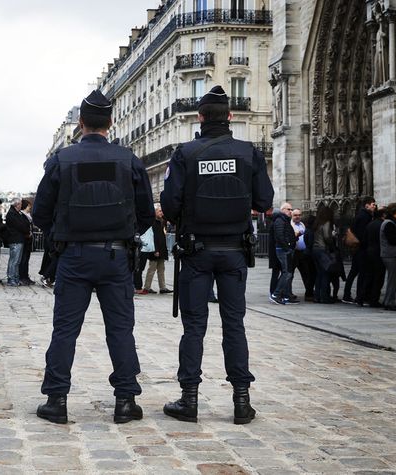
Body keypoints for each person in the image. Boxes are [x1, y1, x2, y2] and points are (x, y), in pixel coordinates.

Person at [32, 90, 155, 424]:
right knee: (120, 330)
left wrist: (65, 229)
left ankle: (56, 400)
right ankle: (126, 401)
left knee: (65, 330)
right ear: (110, 123)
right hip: (116, 255)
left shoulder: (62, 160)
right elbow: (147, 213)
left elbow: (40, 213)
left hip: (73, 256)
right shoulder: (128, 159)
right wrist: (124, 229)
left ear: (81, 124)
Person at [160, 85, 273, 425]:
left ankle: (189, 399)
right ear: (231, 117)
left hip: (196, 251)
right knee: (234, 325)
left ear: (200, 117)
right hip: (234, 250)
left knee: (194, 327)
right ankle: (241, 401)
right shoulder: (247, 153)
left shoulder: (186, 153)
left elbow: (169, 204)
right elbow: (264, 202)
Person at [343, 196, 376, 304]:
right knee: (362, 273)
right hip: (361, 249)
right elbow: (363, 235)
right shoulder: (364, 217)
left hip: (357, 249)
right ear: (367, 205)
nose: (374, 206)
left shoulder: (361, 215)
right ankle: (360, 296)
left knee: (354, 272)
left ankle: (347, 294)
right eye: (373, 204)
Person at [270, 202, 298, 305]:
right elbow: (279, 236)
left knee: (287, 272)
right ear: (282, 210)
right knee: (286, 273)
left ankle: (285, 295)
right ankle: (276, 294)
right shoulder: (280, 220)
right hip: (282, 250)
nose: (290, 211)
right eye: (288, 209)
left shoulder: (284, 220)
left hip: (285, 249)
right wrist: (287, 248)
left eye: (291, 209)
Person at [380, 203, 396, 311]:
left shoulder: (390, 222)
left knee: (394, 277)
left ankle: (388, 300)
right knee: (394, 277)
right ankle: (389, 302)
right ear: (394, 212)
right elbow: (392, 239)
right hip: (389, 254)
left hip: (390, 254)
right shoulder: (389, 223)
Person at [143, 206, 172, 294]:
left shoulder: (161, 222)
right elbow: (153, 238)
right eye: (159, 211)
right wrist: (155, 250)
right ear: (155, 212)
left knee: (161, 269)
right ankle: (147, 287)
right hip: (155, 249)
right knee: (152, 269)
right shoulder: (153, 223)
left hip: (162, 249)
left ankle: (162, 287)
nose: (161, 213)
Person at [362, 208, 387, 308]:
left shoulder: (370, 224)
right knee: (378, 277)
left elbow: (364, 239)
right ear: (383, 215)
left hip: (369, 252)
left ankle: (364, 296)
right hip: (379, 253)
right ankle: (374, 299)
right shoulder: (382, 225)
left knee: (369, 276)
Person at [312, 206, 336, 304]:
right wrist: (332, 238)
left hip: (315, 250)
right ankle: (324, 297)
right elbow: (327, 237)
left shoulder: (317, 223)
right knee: (325, 273)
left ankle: (317, 296)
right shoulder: (327, 223)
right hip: (322, 250)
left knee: (319, 274)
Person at [5, 198, 31, 286]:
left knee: (17, 261)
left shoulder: (15, 213)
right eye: (20, 204)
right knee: (14, 261)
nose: (21, 205)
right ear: (16, 205)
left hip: (18, 239)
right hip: (15, 239)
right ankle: (11, 278)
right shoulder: (12, 214)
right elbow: (21, 226)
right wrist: (27, 230)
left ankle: (15, 278)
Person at [291, 209, 315, 301]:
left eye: (299, 215)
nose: (297, 217)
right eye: (295, 215)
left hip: (303, 253)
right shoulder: (290, 225)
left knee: (306, 273)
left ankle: (309, 292)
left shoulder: (302, 225)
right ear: (292, 216)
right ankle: (288, 292)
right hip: (294, 252)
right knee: (290, 273)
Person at [19, 199, 35, 285]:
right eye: (29, 206)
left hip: (28, 241)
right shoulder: (22, 215)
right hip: (25, 240)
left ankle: (26, 276)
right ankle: (22, 276)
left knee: (26, 260)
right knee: (23, 260)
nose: (30, 207)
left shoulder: (28, 216)